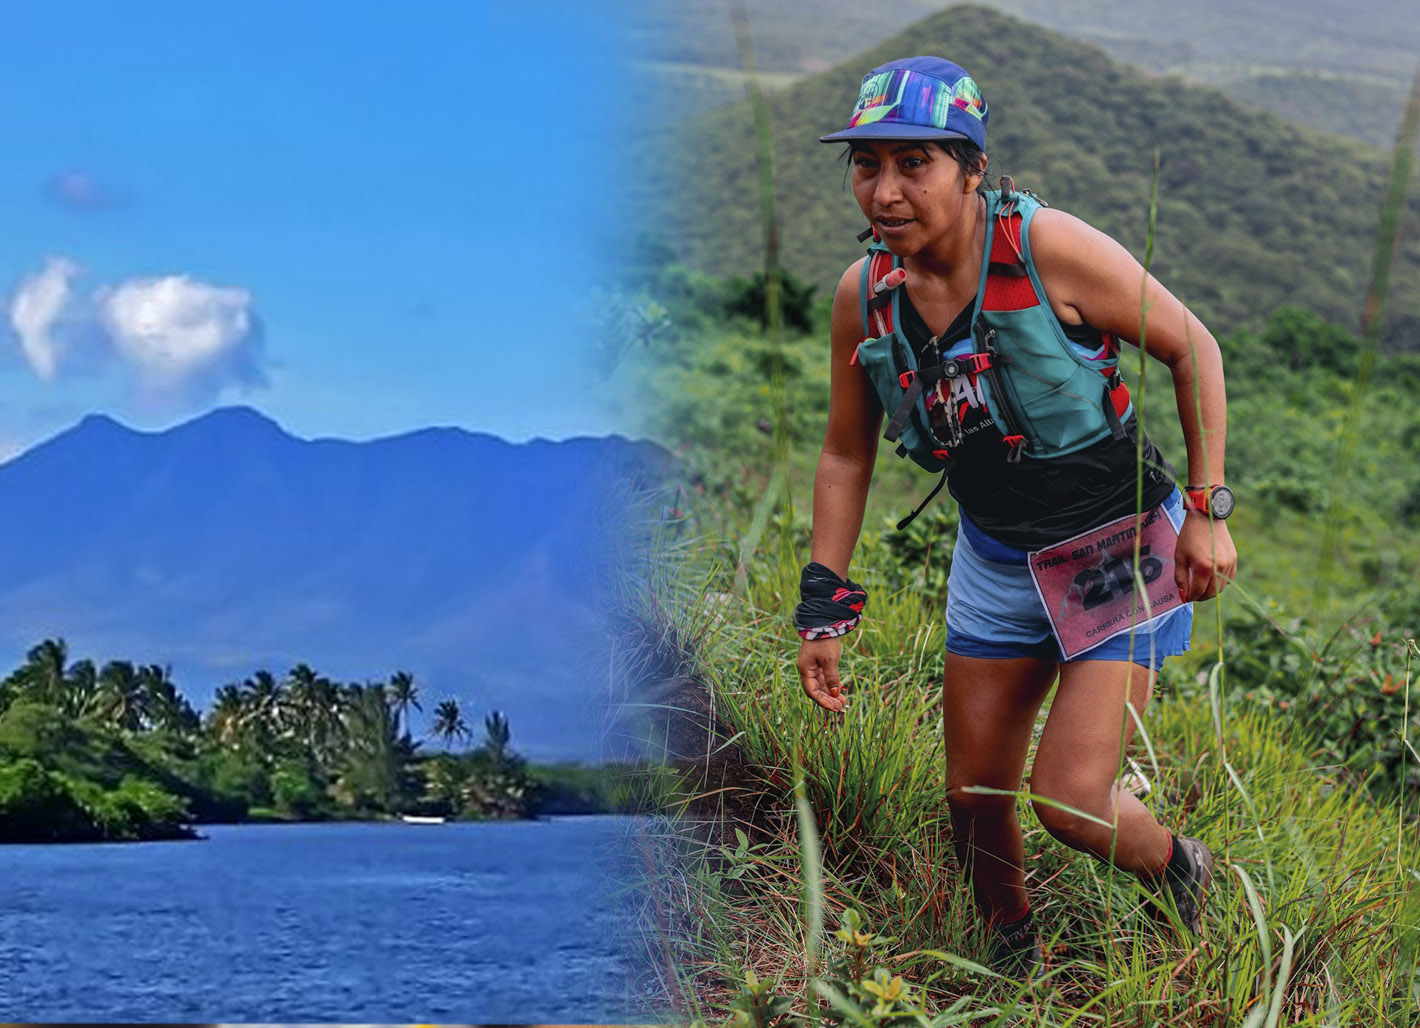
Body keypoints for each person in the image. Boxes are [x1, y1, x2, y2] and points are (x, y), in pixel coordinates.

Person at [791, 56, 1238, 974]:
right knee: (972, 795)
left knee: (1073, 800)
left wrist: (1207, 509)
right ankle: (1013, 958)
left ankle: (1183, 873)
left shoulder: (1049, 250)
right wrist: (822, 603)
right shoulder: (865, 297)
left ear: (972, 168)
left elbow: (1195, 349)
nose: (886, 190)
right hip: (997, 560)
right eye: (867, 165)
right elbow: (846, 453)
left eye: (915, 163)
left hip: (1118, 551)